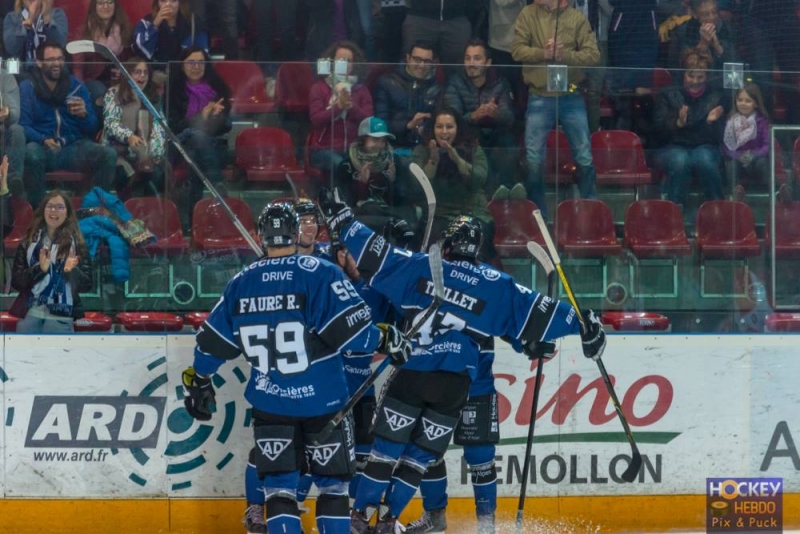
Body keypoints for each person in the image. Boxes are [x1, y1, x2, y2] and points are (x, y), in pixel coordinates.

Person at [316, 193, 607, 534]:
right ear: (479, 250)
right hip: (455, 385)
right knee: (420, 458)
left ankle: (361, 517)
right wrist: (583, 322)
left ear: (449, 245)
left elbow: (375, 254)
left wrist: (343, 221)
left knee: (387, 452)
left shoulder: (422, 265)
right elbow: (537, 311)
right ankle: (390, 519)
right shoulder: (496, 284)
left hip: (415, 373)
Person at [183, 201, 411, 534]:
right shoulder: (320, 271)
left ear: (261, 236)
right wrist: (387, 337)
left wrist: (200, 379)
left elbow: (211, 344)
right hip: (324, 404)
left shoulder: (241, 282)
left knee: (278, 489)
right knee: (333, 489)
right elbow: (356, 335)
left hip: (271, 405)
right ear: (296, 233)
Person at [511, 0, 600, 218]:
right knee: (533, 159)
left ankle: (591, 208)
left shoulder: (577, 18)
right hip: (539, 94)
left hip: (570, 94)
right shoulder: (527, 14)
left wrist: (564, 56)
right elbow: (516, 50)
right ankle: (537, 214)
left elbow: (593, 55)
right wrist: (544, 53)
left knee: (584, 157)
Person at [406, 337, 500, 534]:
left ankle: (486, 527)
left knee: (480, 456)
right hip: (437, 383)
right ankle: (435, 517)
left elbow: (511, 320)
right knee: (427, 448)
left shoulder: (490, 304)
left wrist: (532, 339)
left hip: (477, 386)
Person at [19, 42, 117, 208]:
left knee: (108, 154)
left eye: (60, 59)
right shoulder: (28, 87)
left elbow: (92, 128)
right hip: (43, 147)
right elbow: (24, 125)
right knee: (31, 153)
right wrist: (43, 139)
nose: (57, 64)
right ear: (39, 62)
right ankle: (38, 211)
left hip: (73, 147)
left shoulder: (76, 85)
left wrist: (84, 115)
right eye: (51, 60)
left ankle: (94, 209)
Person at [411, 107, 493, 257]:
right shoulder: (422, 150)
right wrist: (433, 161)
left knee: (474, 240)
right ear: (433, 128)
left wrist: (456, 158)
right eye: (439, 126)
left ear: (458, 128)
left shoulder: (474, 149)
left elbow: (479, 179)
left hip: (472, 212)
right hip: (438, 213)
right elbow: (418, 186)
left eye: (449, 127)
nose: (444, 132)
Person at [10, 189, 93, 333]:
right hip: (31, 310)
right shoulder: (28, 243)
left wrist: (71, 271)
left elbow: (87, 285)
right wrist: (39, 269)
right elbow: (17, 282)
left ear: (67, 213)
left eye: (60, 207)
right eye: (50, 206)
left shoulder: (78, 245)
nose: (54, 211)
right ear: (43, 210)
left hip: (62, 314)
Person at [167, 46, 231, 228]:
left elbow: (227, 127)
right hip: (181, 146)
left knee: (196, 154)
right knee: (195, 139)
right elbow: (173, 126)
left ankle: (190, 223)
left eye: (200, 62)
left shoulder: (218, 89)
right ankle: (216, 184)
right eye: (191, 62)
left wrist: (217, 118)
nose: (196, 67)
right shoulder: (174, 90)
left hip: (213, 146)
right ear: (182, 65)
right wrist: (200, 118)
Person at [653, 48, 724, 211]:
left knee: (704, 159)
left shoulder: (716, 96)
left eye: (700, 77)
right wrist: (677, 123)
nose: (695, 81)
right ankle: (675, 214)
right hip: (671, 147)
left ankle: (718, 209)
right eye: (690, 76)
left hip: (705, 147)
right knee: (680, 159)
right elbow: (657, 130)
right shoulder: (667, 94)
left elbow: (721, 137)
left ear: (707, 77)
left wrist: (711, 123)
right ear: (683, 74)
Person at [443, 39, 516, 194]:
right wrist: (474, 116)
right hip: (469, 133)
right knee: (474, 142)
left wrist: (496, 114)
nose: (471, 63)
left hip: (495, 132)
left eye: (477, 58)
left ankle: (507, 191)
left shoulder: (500, 83)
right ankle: (489, 193)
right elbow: (452, 119)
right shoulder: (455, 82)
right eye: (467, 58)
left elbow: (509, 118)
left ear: (488, 62)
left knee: (507, 141)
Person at [102, 56, 166, 198]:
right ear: (127, 74)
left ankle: (148, 213)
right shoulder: (114, 93)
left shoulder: (153, 97)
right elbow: (111, 123)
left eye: (145, 72)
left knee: (155, 172)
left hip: (145, 153)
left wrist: (155, 154)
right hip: (119, 150)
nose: (142, 76)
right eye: (137, 72)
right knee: (122, 173)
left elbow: (160, 128)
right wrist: (128, 136)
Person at [308, 40, 373, 176]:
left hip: (353, 149)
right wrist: (338, 107)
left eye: (349, 61)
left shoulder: (361, 90)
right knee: (343, 166)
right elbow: (316, 120)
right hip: (324, 150)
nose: (345, 64)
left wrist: (351, 107)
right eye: (340, 60)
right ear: (332, 62)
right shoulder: (319, 88)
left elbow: (369, 122)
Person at [722, 82, 787, 202]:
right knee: (731, 165)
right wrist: (738, 156)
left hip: (756, 162)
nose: (743, 104)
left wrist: (753, 154)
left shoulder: (762, 121)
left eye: (748, 101)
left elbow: (767, 146)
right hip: (739, 162)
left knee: (763, 163)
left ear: (756, 103)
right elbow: (726, 148)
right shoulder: (731, 121)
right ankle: (736, 193)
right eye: (740, 100)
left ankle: (778, 192)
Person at [374, 41, 443, 151]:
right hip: (392, 147)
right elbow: (378, 124)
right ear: (408, 58)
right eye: (417, 59)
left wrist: (426, 130)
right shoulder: (387, 83)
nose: (422, 65)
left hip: (424, 149)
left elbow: (440, 124)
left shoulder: (437, 89)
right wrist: (408, 125)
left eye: (427, 61)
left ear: (433, 63)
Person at [73, 0, 133, 113]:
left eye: (110, 2)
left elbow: (132, 61)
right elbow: (77, 66)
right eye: (100, 3)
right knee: (101, 94)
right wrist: (80, 91)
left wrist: (124, 72)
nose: (106, 6)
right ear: (94, 7)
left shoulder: (126, 30)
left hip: (119, 81)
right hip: (92, 80)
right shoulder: (83, 32)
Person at [132, 0, 209, 73]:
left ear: (180, 3)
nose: (168, 5)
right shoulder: (146, 22)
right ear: (157, 3)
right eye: (163, 1)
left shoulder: (194, 23)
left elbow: (203, 55)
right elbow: (140, 52)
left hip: (186, 75)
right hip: (154, 75)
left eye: (173, 1)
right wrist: (155, 24)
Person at [401, 0, 472, 78]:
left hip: (457, 17)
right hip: (419, 15)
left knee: (458, 67)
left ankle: (454, 90)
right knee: (414, 62)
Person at [3, 0, 67, 70]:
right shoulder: (12, 18)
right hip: (22, 72)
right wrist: (29, 21)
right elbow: (11, 48)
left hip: (49, 71)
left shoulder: (57, 14)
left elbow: (60, 43)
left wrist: (47, 18)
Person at [0, 68, 26, 194]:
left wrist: (8, 113)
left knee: (17, 130)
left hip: (1, 132)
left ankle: (12, 181)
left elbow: (15, 114)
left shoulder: (4, 77)